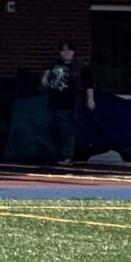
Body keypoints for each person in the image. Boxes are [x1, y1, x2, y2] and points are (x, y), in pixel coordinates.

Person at [42, 38, 91, 166]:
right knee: (54, 129)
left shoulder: (80, 68)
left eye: (68, 50)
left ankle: (67, 156)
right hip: (54, 103)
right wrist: (45, 79)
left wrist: (90, 100)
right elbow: (46, 75)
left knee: (67, 130)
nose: (65, 53)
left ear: (73, 52)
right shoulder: (55, 65)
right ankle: (56, 155)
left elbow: (88, 85)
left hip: (70, 104)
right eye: (63, 51)